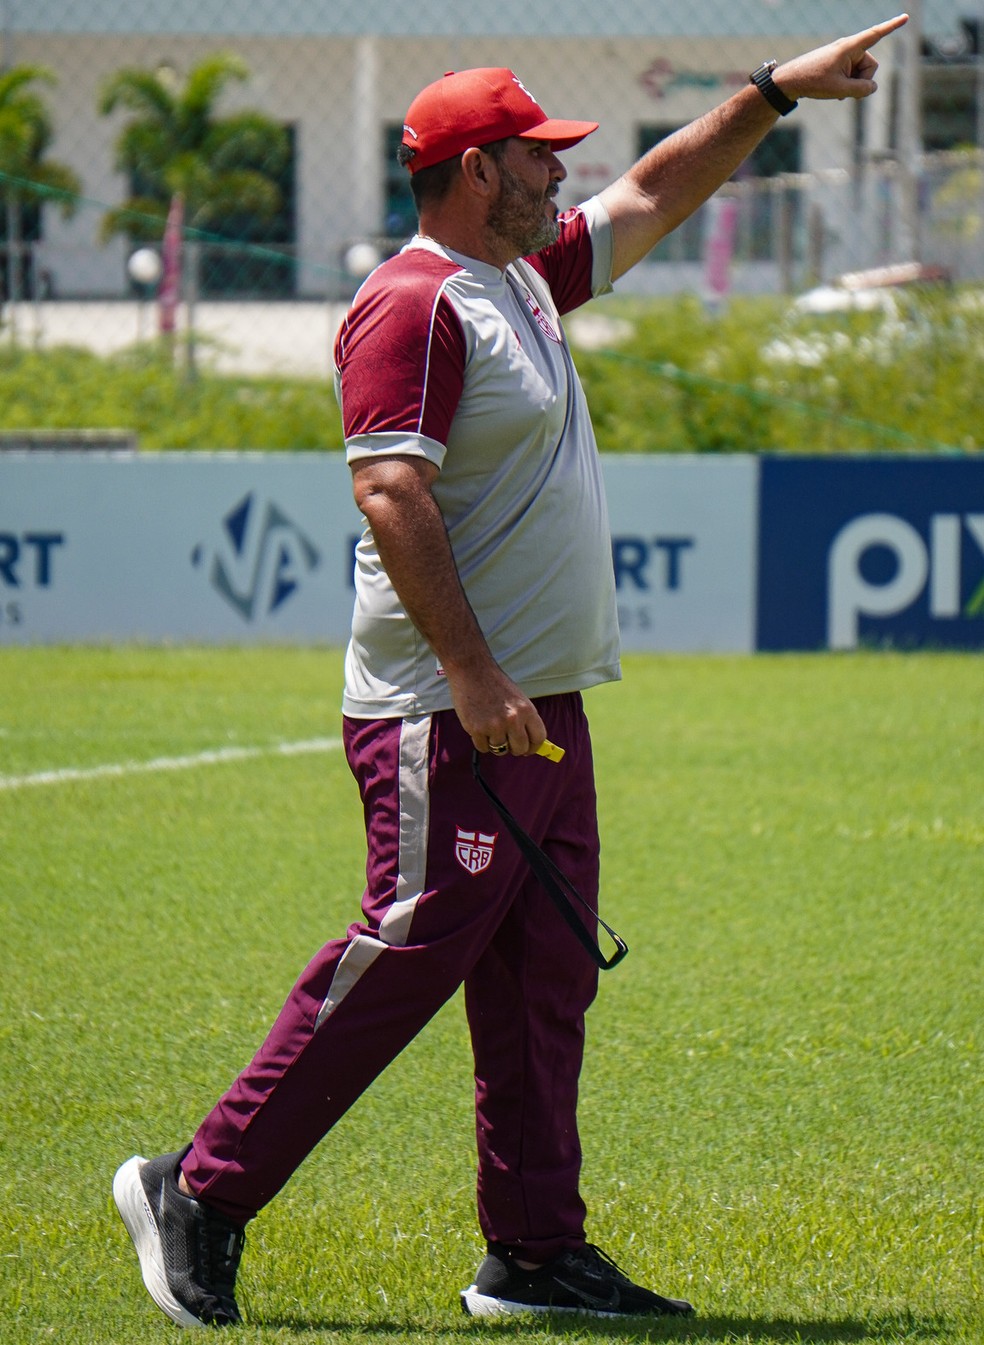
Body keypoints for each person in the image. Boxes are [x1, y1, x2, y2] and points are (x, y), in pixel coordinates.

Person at [113, 14, 909, 1327]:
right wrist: (477, 678)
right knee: (405, 953)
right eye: (537, 153)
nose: (559, 172)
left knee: (547, 971)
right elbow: (389, 491)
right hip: (447, 713)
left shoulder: (524, 278)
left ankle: (534, 1251)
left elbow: (656, 189)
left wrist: (773, 93)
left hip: (539, 708)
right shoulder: (412, 300)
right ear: (476, 167)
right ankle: (197, 1186)